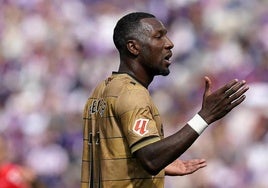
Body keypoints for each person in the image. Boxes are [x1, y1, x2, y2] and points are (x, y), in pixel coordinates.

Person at [81, 12, 249, 188]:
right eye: (158, 36)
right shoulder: (132, 93)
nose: (169, 43)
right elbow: (151, 160)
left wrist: (162, 162)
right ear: (133, 47)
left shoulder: (100, 91)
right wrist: (205, 116)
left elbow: (114, 155)